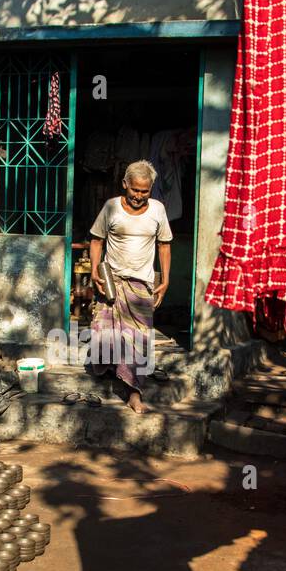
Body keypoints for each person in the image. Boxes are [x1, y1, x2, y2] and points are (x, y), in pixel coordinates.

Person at [86, 160, 171, 415]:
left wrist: (165, 280)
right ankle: (114, 375)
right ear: (125, 184)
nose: (139, 196)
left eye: (145, 191)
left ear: (151, 189)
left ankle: (134, 392)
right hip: (112, 281)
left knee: (140, 340)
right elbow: (97, 241)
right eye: (135, 190)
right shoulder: (111, 207)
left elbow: (164, 246)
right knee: (106, 333)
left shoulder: (158, 210)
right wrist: (94, 270)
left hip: (142, 284)